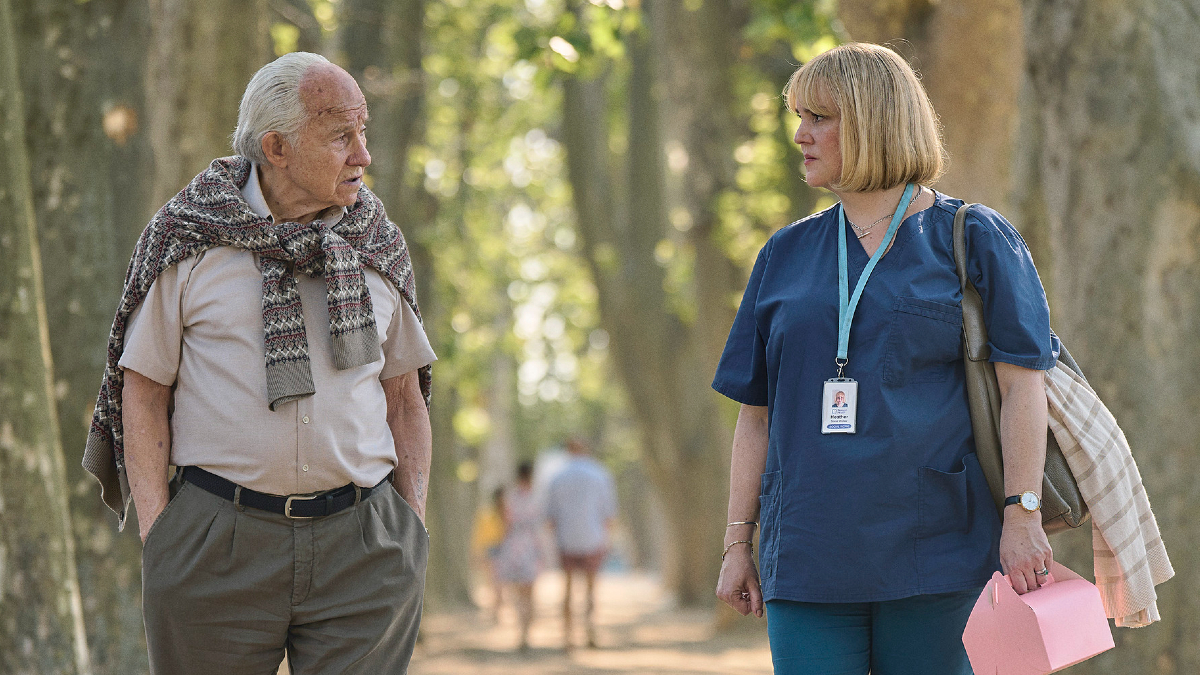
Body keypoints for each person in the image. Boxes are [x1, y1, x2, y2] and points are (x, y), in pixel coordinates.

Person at [82, 52, 436, 673]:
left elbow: (404, 396)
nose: (363, 155)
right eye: (340, 136)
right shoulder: (189, 238)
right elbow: (140, 391)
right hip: (216, 547)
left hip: (365, 547)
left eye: (364, 131)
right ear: (276, 147)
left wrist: (410, 528)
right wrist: (161, 538)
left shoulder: (375, 242)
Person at [712, 43, 1057, 675]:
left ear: (874, 122)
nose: (799, 135)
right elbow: (754, 416)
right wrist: (739, 541)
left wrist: (1021, 512)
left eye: (819, 118)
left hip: (939, 552)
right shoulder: (784, 255)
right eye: (799, 116)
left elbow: (1023, 388)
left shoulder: (974, 238)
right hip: (807, 558)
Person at [545, 438, 617, 650]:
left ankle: (567, 636)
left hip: (566, 540)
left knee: (566, 589)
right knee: (591, 589)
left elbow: (550, 517)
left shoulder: (557, 477)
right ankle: (590, 630)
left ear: (567, 450)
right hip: (593, 538)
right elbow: (609, 513)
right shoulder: (600, 474)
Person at [493, 463, 542, 651]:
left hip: (513, 545)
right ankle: (526, 631)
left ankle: (522, 632)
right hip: (530, 545)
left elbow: (505, 523)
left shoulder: (510, 498)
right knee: (529, 593)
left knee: (516, 593)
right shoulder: (536, 498)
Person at [471, 486, 508, 622]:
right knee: (495, 583)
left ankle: (497, 610)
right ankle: (496, 612)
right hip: (491, 550)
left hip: (505, 550)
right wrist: (476, 553)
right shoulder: (487, 515)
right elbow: (479, 535)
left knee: (500, 584)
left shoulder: (509, 515)